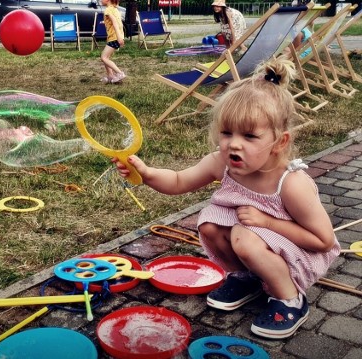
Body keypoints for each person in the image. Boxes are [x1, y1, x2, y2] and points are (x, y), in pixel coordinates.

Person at [113, 58, 340, 339]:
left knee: (243, 236)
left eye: (249, 136)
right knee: (210, 226)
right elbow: (178, 181)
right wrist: (145, 173)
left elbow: (323, 242)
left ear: (279, 142)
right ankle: (247, 278)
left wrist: (267, 222)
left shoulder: (291, 183)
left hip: (297, 253)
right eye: (226, 132)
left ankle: (290, 299)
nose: (234, 143)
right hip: (255, 240)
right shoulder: (222, 162)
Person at [100, 0, 126, 84]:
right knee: (106, 58)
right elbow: (120, 24)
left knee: (104, 57)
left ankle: (119, 73)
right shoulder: (115, 9)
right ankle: (110, 76)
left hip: (114, 37)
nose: (100, 0)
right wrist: (121, 36)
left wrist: (118, 37)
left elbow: (115, 22)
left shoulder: (108, 10)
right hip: (115, 37)